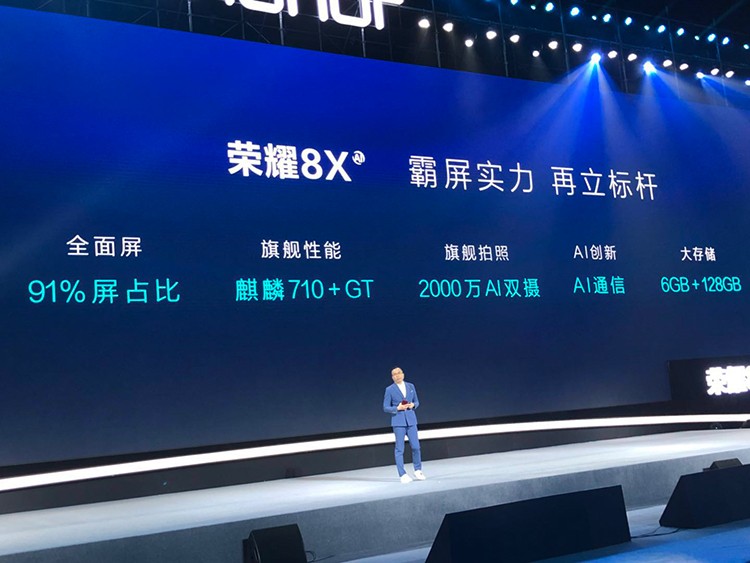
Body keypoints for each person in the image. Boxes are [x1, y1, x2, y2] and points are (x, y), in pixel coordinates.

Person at [383, 366, 425, 483]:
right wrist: (397, 408)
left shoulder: (411, 386)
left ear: (403, 374)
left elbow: (417, 401)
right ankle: (402, 474)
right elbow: (385, 407)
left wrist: (413, 405)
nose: (397, 375)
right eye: (394, 374)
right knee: (400, 449)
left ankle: (418, 470)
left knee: (416, 446)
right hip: (399, 422)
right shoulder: (389, 390)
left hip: (411, 421)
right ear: (392, 377)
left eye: (399, 373)